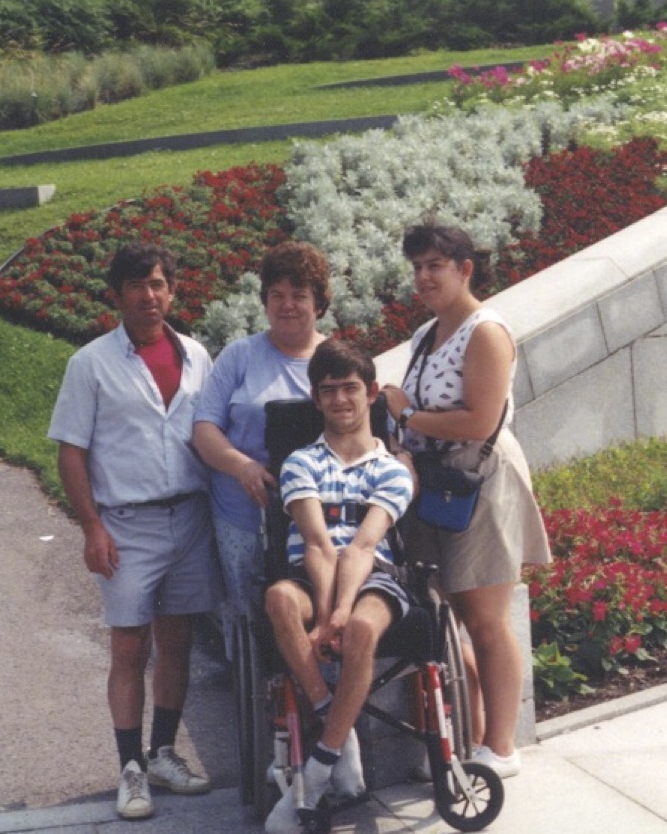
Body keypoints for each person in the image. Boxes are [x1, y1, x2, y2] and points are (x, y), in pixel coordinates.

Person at [48, 241, 219, 821]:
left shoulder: (197, 355)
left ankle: (164, 753)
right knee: (129, 646)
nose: (151, 296)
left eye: (159, 284)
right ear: (118, 294)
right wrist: (91, 527)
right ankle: (130, 768)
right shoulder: (91, 364)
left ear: (173, 290)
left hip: (191, 519)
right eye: (138, 285)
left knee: (177, 643)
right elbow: (71, 453)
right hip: (127, 525)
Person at [380, 223, 551, 781]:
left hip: (480, 483)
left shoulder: (486, 331)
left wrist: (406, 414)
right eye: (417, 268)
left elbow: (478, 421)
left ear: (465, 269)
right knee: (449, 618)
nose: (424, 277)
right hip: (437, 486)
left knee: (485, 618)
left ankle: (500, 747)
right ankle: (469, 733)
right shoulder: (427, 333)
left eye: (435, 265)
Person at [262, 340, 414, 834]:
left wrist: (340, 617)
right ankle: (335, 719)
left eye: (350, 389)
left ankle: (321, 767)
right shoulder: (301, 463)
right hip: (313, 571)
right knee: (280, 598)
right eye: (328, 392)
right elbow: (318, 545)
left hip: (374, 577)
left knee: (362, 631)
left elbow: (361, 549)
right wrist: (325, 616)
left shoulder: (392, 470)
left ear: (370, 393)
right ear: (316, 399)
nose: (340, 400)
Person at [193, 242, 332, 642]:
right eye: (277, 295)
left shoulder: (335, 359)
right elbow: (204, 428)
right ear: (265, 301)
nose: (287, 305)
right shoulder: (240, 356)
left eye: (299, 296)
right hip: (242, 509)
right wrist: (242, 466)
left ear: (318, 303)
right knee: (249, 617)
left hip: (316, 513)